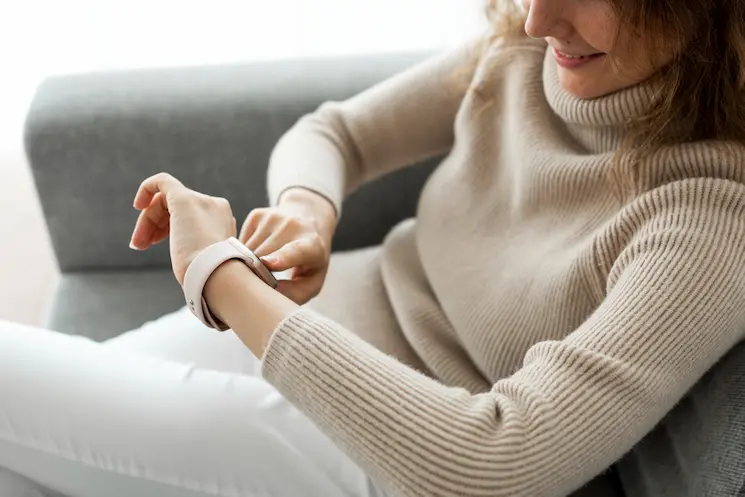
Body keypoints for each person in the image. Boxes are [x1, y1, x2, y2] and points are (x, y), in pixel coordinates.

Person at [2, 0, 745, 495]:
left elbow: (495, 461)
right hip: (305, 336)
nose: (534, 17)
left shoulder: (709, 219)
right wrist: (307, 211)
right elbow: (335, 132)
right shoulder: (529, 56)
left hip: (386, 454)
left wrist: (220, 274)